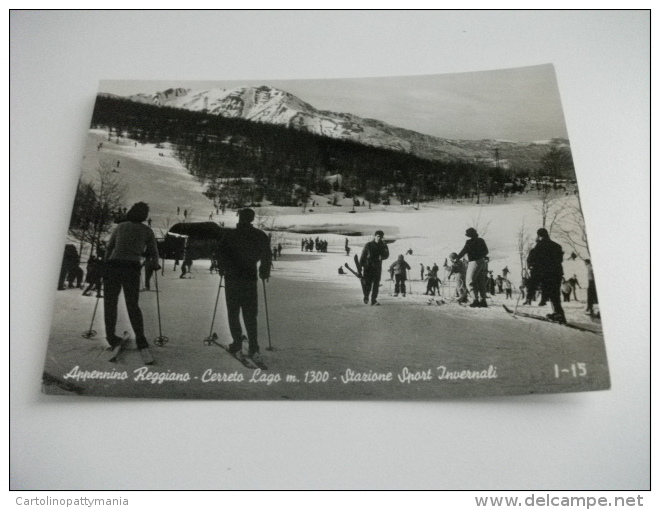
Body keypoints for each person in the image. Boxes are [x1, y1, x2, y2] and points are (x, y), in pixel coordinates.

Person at [217, 208, 271, 365]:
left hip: (232, 278)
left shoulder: (230, 235)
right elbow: (266, 255)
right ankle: (254, 346)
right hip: (249, 278)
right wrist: (264, 271)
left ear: (240, 218)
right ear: (252, 219)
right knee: (250, 313)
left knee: (233, 311)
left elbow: (221, 253)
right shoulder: (259, 235)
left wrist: (222, 268)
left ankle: (237, 343)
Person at [103, 202, 160, 352]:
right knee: (132, 304)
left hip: (113, 266)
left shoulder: (120, 227)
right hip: (131, 268)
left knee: (110, 302)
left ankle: (111, 336)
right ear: (144, 215)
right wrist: (155, 264)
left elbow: (109, 248)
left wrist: (105, 264)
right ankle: (141, 339)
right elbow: (154, 251)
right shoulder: (147, 231)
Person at [526, 228, 566, 323]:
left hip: (545, 274)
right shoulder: (557, 246)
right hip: (557, 273)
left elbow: (533, 260)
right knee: (555, 294)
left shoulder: (538, 246)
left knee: (550, 293)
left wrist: (531, 266)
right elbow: (560, 260)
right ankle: (559, 314)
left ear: (539, 235)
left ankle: (557, 313)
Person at [455, 228, 489, 308]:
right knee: (480, 282)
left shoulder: (469, 242)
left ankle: (475, 300)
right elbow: (486, 251)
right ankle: (483, 301)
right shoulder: (481, 240)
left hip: (474, 262)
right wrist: (480, 255)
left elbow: (464, 251)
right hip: (482, 262)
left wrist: (457, 258)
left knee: (469, 281)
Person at [359, 230, 389, 305]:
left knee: (376, 284)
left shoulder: (383, 245)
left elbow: (387, 255)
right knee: (368, 284)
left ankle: (373, 300)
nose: (379, 238)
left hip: (377, 267)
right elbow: (363, 256)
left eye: (381, 237)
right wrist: (360, 266)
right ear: (375, 236)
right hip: (368, 267)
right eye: (378, 236)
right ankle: (366, 297)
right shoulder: (368, 245)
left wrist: (382, 257)